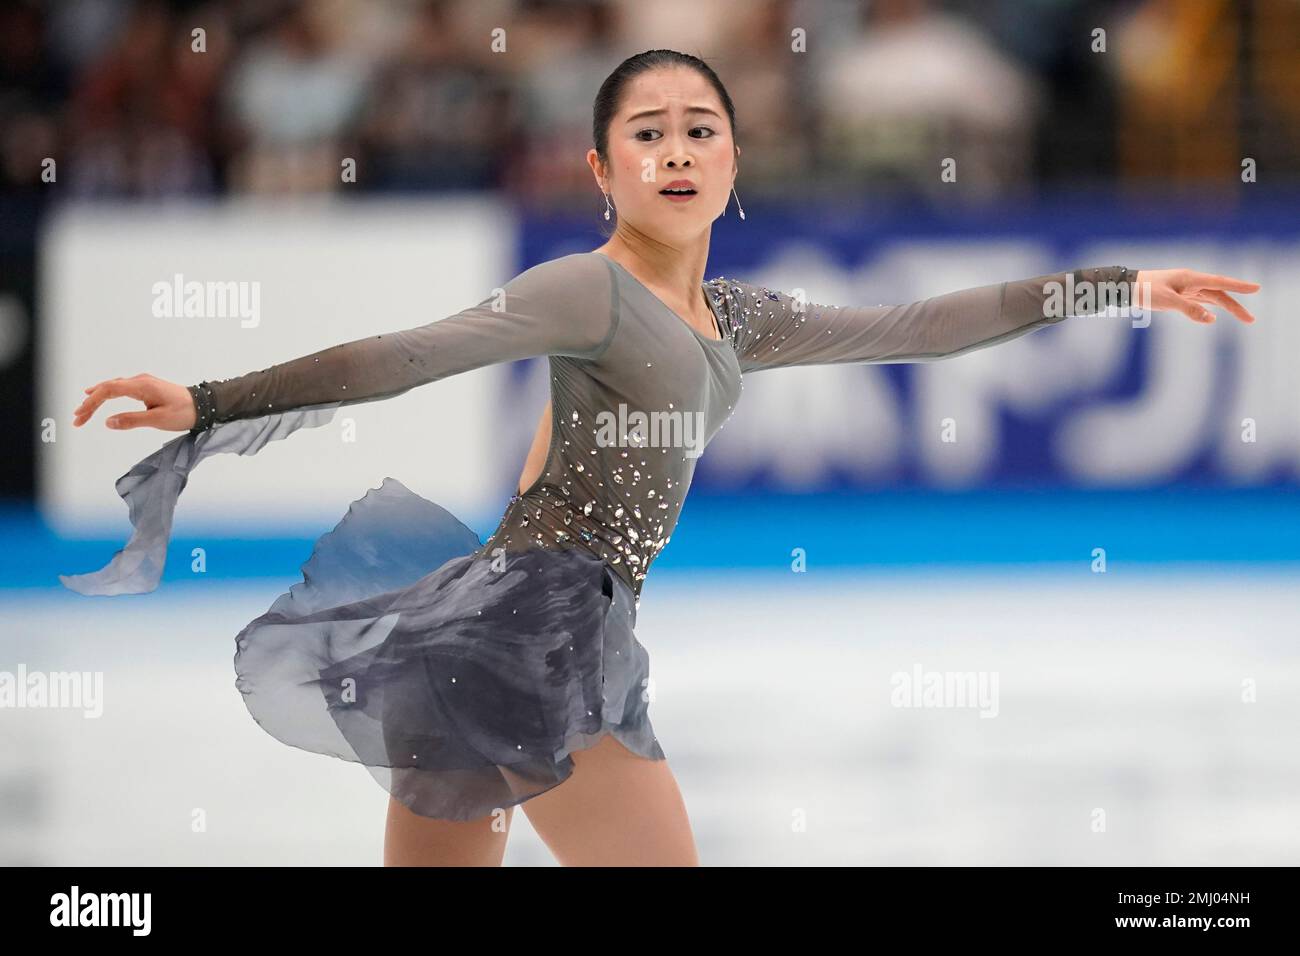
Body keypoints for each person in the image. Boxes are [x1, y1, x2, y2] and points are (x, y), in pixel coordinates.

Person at [63, 49, 1260, 866]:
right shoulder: (584, 288)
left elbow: (922, 324)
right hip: (526, 638)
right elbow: (410, 356)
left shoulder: (732, 318)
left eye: (702, 131)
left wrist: (1118, 283)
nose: (677, 150)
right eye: (648, 133)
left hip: (520, 635)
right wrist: (212, 400)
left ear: (734, 163)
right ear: (600, 170)